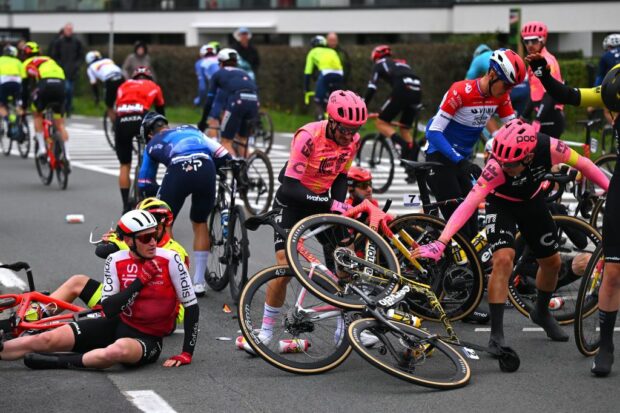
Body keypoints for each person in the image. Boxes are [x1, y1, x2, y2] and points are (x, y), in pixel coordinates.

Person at [413, 119, 609, 355]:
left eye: (510, 164)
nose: (504, 167)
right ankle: (496, 336)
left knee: (552, 263)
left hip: (532, 202)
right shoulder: (496, 169)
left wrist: (612, 190)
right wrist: (442, 241)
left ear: (528, 157)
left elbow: (586, 165)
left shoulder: (551, 147)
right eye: (501, 161)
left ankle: (541, 312)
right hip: (501, 205)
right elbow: (469, 204)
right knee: (503, 260)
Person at [236, 90, 367, 352]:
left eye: (355, 129)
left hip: (321, 199)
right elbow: (288, 189)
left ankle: (347, 330)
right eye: (344, 129)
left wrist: (338, 207)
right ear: (331, 120)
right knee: (285, 267)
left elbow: (341, 175)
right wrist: (330, 204)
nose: (349, 135)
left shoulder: (353, 140)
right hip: (293, 203)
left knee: (345, 261)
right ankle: (265, 333)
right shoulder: (308, 136)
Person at [0, 210, 199, 370]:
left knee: (115, 352)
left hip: (147, 338)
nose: (154, 242)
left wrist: (186, 353)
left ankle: (59, 362)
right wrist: (141, 281)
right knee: (46, 338)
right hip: (116, 323)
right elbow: (109, 309)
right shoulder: (116, 260)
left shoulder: (170, 260)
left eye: (155, 235)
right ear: (129, 241)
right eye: (146, 238)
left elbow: (191, 306)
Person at [526, 56, 620, 376]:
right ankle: (605, 345)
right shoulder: (612, 84)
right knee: (613, 270)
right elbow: (569, 95)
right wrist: (543, 74)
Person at [425, 48, 525, 241]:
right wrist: (460, 161)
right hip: (440, 160)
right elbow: (433, 132)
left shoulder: (501, 96)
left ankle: (465, 268)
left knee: (472, 227)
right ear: (493, 74)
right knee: (461, 231)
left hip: (463, 162)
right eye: (506, 85)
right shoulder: (460, 91)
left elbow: (514, 130)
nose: (508, 91)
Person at [137, 112, 232, 296]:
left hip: (178, 171)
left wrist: (158, 192)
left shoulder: (153, 142)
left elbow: (144, 182)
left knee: (165, 222)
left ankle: (174, 278)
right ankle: (198, 283)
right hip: (206, 168)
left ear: (149, 134)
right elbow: (223, 154)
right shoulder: (191, 129)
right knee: (200, 221)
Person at [48, 198, 190, 312]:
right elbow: (102, 250)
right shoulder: (137, 243)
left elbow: (156, 289)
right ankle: (39, 312)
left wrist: (122, 242)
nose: (147, 230)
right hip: (131, 301)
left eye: (152, 228)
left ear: (162, 226)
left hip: (159, 311)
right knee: (77, 281)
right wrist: (120, 238)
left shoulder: (173, 253)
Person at [114, 66, 165, 213]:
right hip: (140, 118)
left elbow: (118, 105)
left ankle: (125, 206)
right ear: (148, 78)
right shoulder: (154, 86)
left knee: (124, 165)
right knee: (150, 157)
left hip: (122, 120)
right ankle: (148, 194)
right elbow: (161, 112)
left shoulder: (123, 85)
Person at [363, 45, 422, 165]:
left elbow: (372, 87)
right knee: (405, 128)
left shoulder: (379, 63)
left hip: (402, 90)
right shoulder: (401, 63)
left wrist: (363, 105)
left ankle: (403, 145)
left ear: (375, 56)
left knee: (380, 122)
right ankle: (411, 167)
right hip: (417, 92)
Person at [197, 48, 258, 158]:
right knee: (242, 139)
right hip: (254, 101)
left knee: (226, 141)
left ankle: (234, 165)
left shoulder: (219, 74)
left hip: (238, 101)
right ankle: (245, 172)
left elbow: (211, 100)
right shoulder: (244, 73)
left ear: (221, 63)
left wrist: (203, 121)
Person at [21, 41, 71, 165]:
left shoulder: (26, 63)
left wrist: (24, 105)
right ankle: (67, 155)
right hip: (61, 85)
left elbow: (25, 87)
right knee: (60, 124)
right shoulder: (49, 60)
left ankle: (42, 149)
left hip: (45, 85)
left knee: (37, 114)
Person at [520, 21, 565, 138]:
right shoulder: (533, 62)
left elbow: (550, 93)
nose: (529, 45)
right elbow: (534, 94)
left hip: (551, 117)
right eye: (526, 41)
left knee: (544, 155)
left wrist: (538, 119)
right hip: (541, 116)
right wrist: (523, 117)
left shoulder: (548, 61)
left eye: (534, 41)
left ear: (543, 40)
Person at [304, 36, 344, 121]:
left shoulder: (313, 52)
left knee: (319, 101)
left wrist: (306, 89)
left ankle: (321, 119)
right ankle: (336, 118)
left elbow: (308, 72)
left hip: (326, 74)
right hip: (339, 74)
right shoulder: (332, 51)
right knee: (334, 100)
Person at [49, 23, 83, 116]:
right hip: (61, 71)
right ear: (64, 30)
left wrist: (77, 66)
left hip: (72, 71)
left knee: (70, 91)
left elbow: (80, 56)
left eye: (70, 30)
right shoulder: (58, 42)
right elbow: (54, 55)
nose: (69, 31)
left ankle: (68, 108)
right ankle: (63, 107)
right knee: (65, 89)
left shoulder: (76, 42)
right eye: (67, 29)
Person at [84, 50, 124, 125]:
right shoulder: (108, 60)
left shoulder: (90, 68)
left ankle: (116, 127)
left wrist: (97, 97)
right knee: (123, 101)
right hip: (121, 78)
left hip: (110, 80)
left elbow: (94, 84)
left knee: (109, 106)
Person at [0, 45, 25, 134]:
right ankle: (21, 122)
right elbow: (24, 76)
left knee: (1, 105)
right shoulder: (18, 61)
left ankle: (9, 121)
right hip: (16, 85)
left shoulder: (0, 60)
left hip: (4, 84)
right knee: (17, 104)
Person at [194, 42, 220, 108]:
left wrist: (199, 100)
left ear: (201, 54)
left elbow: (202, 87)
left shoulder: (200, 63)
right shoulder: (221, 60)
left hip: (218, 92)